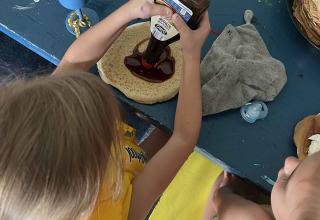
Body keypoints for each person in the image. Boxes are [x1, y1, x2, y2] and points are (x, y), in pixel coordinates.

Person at [0, 0, 211, 220]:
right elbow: (183, 138)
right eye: (107, 113)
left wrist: (132, 10)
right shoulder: (116, 213)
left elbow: (73, 62)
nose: (118, 112)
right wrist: (191, 52)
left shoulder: (40, 125)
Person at [203, 152, 320, 220]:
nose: (291, 160)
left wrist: (227, 189)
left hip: (232, 210)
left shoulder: (246, 216)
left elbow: (219, 198)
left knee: (230, 176)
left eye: (286, 183)